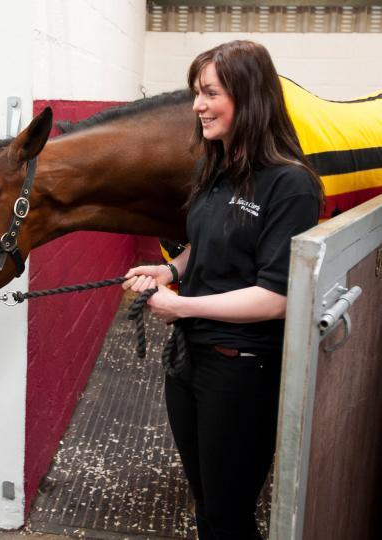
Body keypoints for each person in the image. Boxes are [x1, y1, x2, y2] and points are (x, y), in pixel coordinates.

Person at [123, 40, 323, 539]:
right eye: (197, 93)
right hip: (191, 359)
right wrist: (173, 271)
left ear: (249, 97)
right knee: (208, 504)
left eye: (209, 93)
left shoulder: (290, 185)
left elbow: (276, 298)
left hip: (242, 369)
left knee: (230, 514)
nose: (197, 106)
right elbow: (208, 241)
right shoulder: (217, 169)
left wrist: (181, 306)